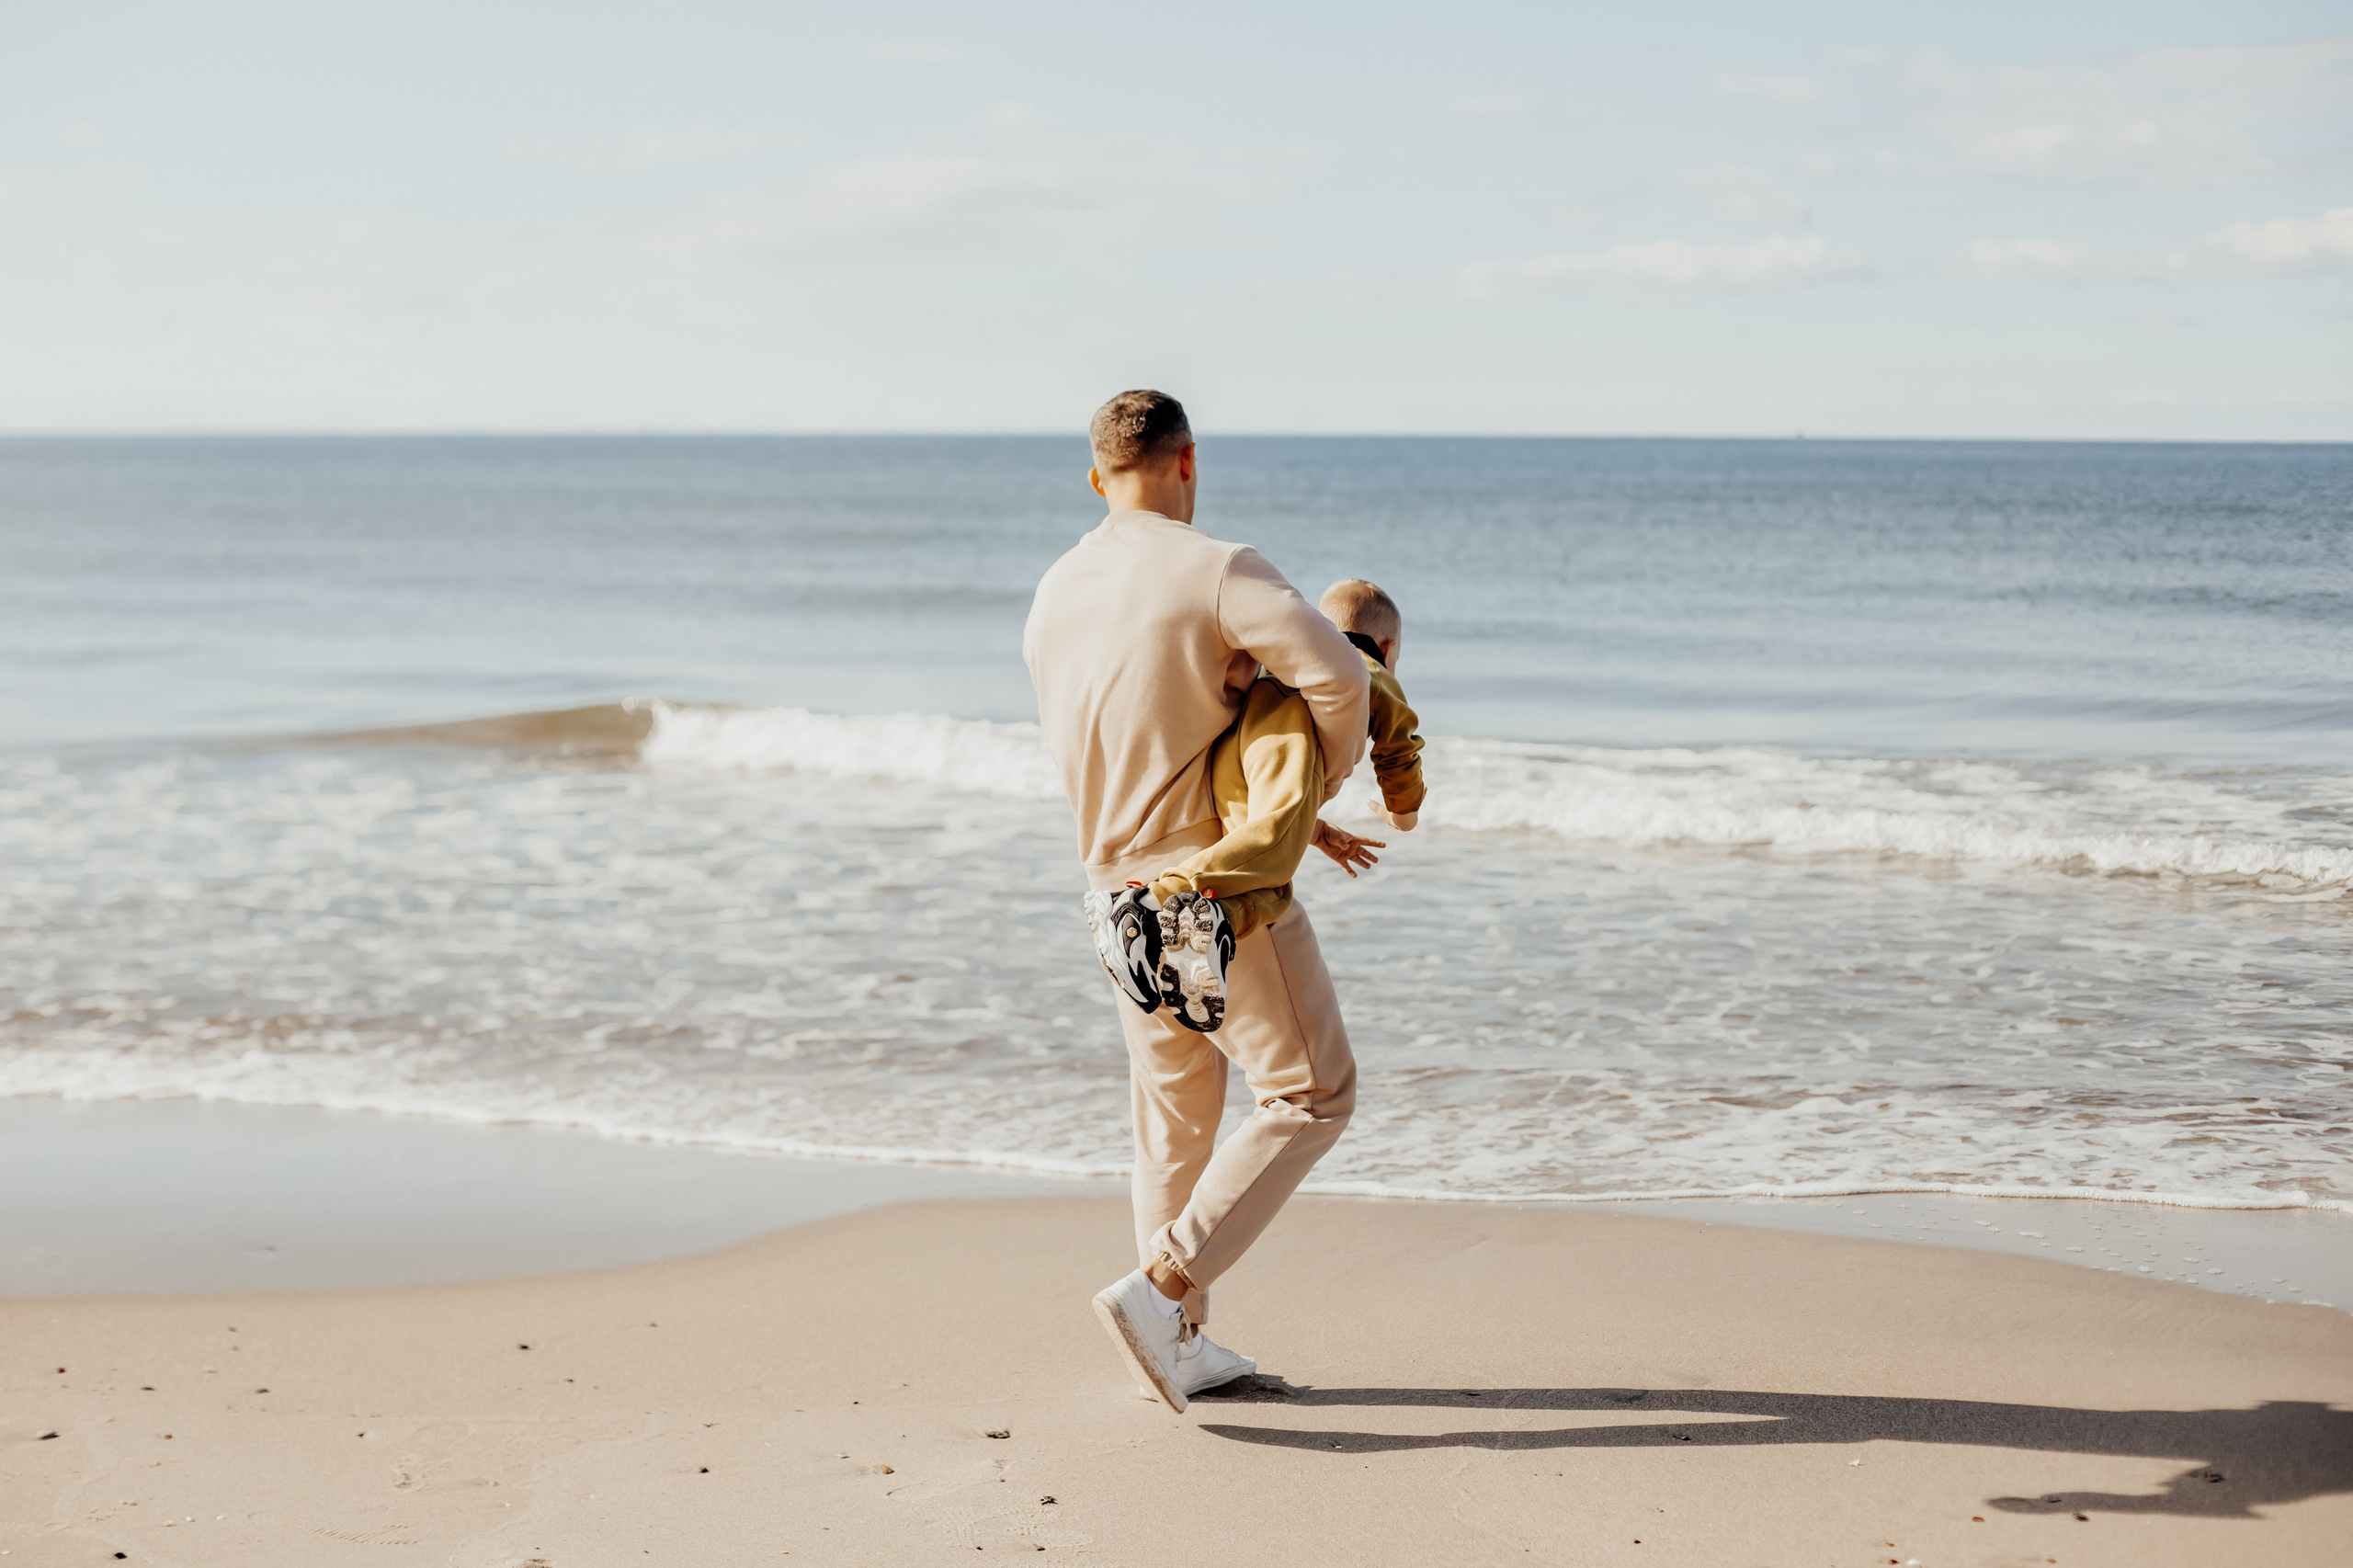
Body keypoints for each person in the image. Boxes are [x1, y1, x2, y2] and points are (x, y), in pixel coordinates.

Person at [1023, 389, 1371, 1412]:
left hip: (1109, 893)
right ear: (1187, 462)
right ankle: (1160, 1288)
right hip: (1209, 887)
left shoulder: (1054, 590)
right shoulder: (1216, 566)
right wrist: (1316, 786)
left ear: (1098, 477)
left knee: (1172, 1125)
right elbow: (1339, 678)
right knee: (1310, 1094)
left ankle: (1171, 1343)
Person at [1097, 575, 1426, 1033]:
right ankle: (1147, 904)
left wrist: (1313, 829)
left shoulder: (1289, 661)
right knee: (1272, 844)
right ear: (1388, 646)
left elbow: (1274, 795)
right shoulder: (1363, 665)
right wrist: (1402, 813)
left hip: (1235, 754)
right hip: (1286, 743)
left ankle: (1204, 932)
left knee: (1272, 881)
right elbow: (1398, 745)